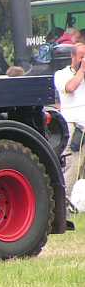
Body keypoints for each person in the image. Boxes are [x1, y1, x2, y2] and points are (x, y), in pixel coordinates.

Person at [53, 43, 85, 198]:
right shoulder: (61, 74)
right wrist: (82, 71)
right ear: (73, 57)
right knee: (72, 166)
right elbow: (70, 88)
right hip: (73, 127)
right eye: (82, 57)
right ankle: (65, 205)